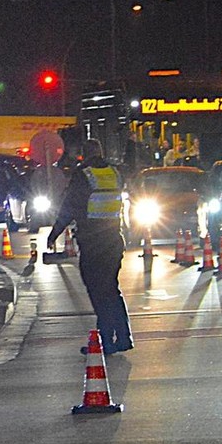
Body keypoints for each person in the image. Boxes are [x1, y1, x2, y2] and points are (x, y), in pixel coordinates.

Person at [47, 139, 133, 355]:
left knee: (97, 291)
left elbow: (70, 207)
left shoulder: (83, 175)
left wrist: (54, 233)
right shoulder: (114, 173)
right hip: (114, 241)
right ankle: (123, 336)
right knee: (111, 288)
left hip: (93, 243)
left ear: (83, 154)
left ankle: (107, 341)